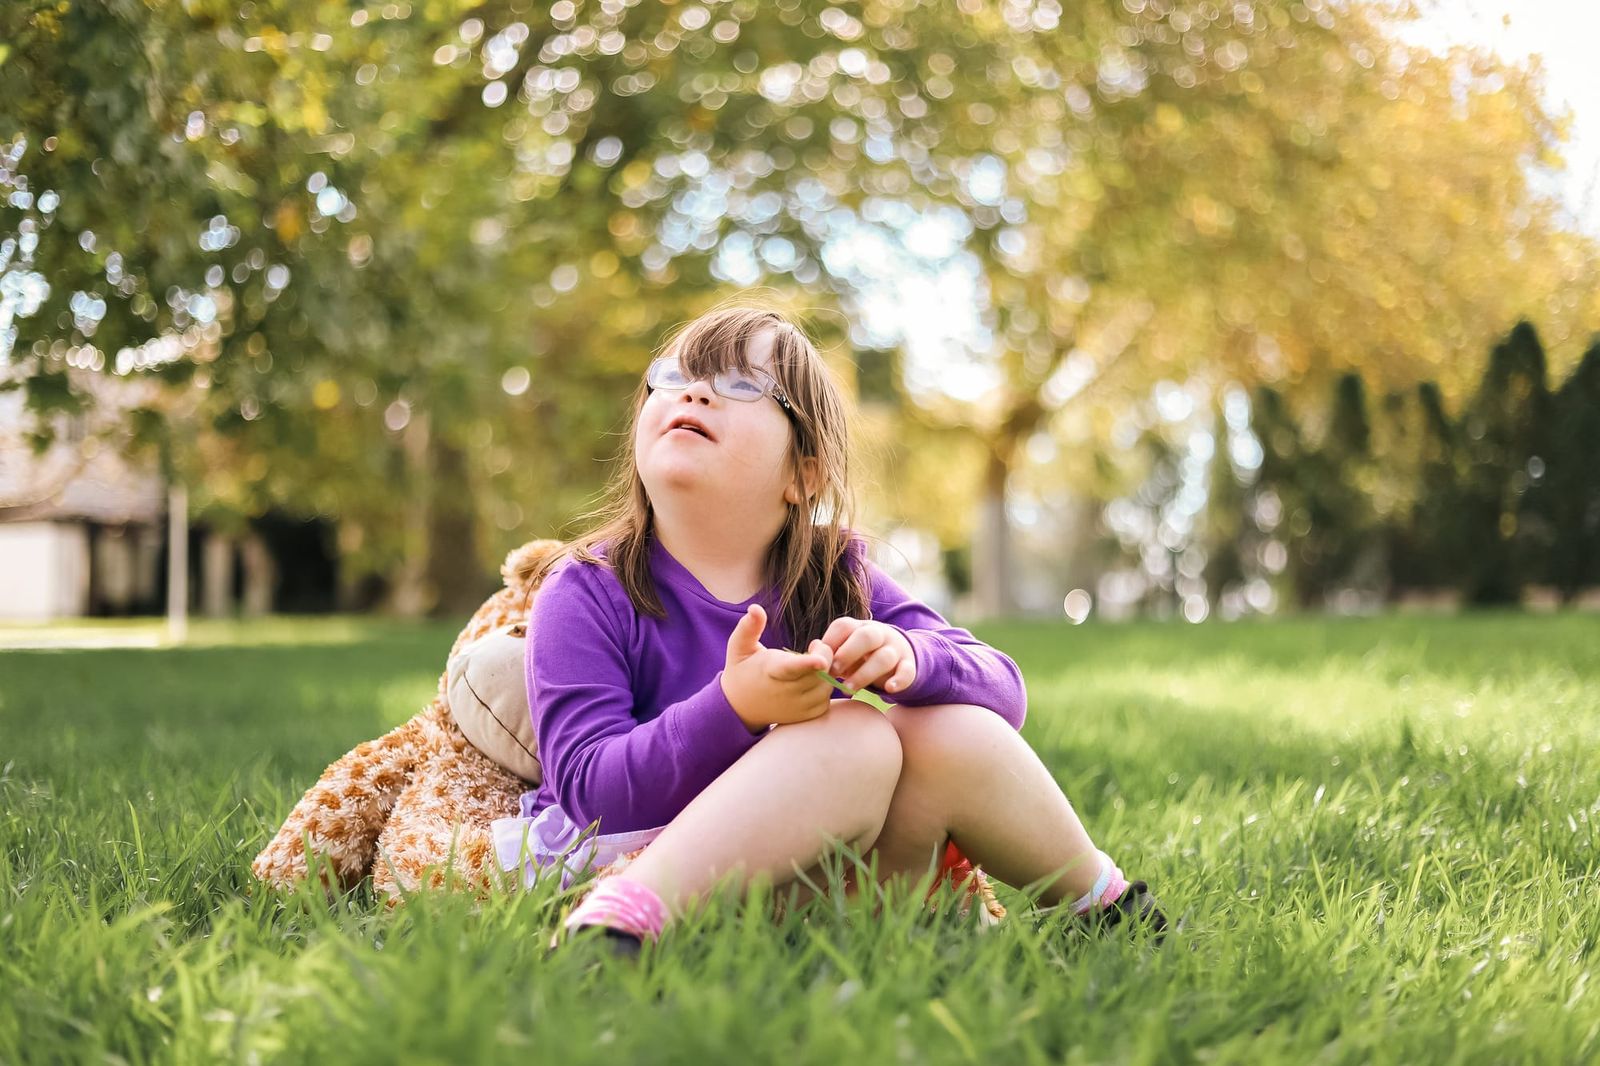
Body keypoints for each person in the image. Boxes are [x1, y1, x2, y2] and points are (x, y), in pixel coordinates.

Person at [490, 299, 1168, 957]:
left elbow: (1003, 692)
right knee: (856, 737)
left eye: (740, 384)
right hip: (628, 862)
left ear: (803, 474)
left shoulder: (832, 570)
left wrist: (911, 656)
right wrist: (732, 708)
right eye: (672, 375)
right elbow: (589, 791)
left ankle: (1105, 908)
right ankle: (612, 929)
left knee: (944, 728)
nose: (692, 393)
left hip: (799, 868)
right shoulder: (586, 586)